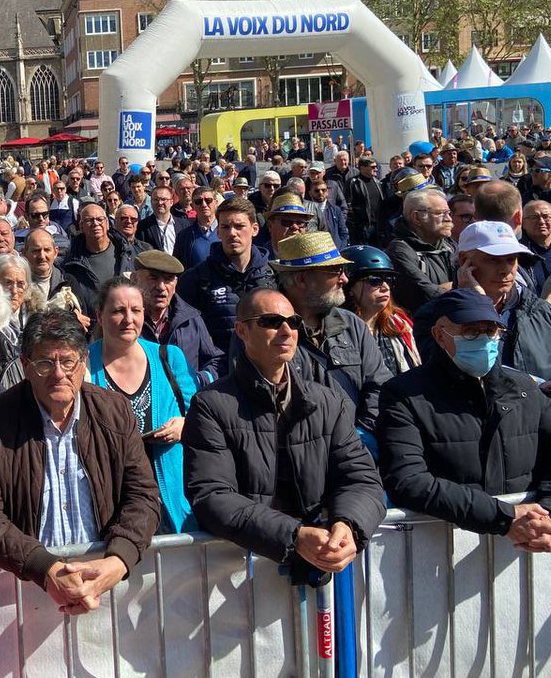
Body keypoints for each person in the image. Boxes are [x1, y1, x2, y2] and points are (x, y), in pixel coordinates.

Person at [0, 308, 161, 614]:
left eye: (68, 361)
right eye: (45, 363)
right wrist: (46, 569)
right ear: (26, 366)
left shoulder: (115, 412)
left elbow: (144, 497)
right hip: (25, 592)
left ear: (83, 364)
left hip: (106, 589)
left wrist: (117, 560)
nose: (59, 373)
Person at [183, 288, 385, 580]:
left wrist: (349, 525)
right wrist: (294, 536)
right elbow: (212, 496)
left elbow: (362, 478)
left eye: (293, 322)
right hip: (240, 574)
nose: (286, 330)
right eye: (271, 321)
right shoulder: (210, 405)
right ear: (242, 330)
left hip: (322, 564)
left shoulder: (328, 401)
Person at [376, 289, 551, 546]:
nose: (483, 339)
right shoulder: (404, 394)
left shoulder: (523, 389)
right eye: (471, 331)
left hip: (524, 550)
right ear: (439, 334)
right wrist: (505, 519)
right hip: (441, 552)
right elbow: (408, 480)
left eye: (491, 331)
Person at [412, 221, 551, 407]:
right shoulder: (434, 316)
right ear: (464, 261)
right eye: (493, 259)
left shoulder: (542, 312)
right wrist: (477, 305)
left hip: (536, 424)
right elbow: (440, 376)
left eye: (511, 259)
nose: (506, 270)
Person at [86, 277, 198, 532]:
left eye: (135, 310)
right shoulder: (83, 364)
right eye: (118, 311)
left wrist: (185, 425)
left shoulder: (170, 357)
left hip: (172, 500)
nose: (129, 319)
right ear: (100, 316)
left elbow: (202, 416)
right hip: (113, 503)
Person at [272, 231, 392, 434]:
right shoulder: (266, 329)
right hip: (299, 454)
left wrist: (361, 436)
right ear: (302, 279)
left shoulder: (352, 324)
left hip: (357, 450)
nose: (344, 279)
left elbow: (380, 386)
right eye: (335, 271)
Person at [178, 196, 275, 361]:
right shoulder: (196, 279)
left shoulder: (274, 275)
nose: (232, 233)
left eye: (239, 226)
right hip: (221, 374)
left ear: (255, 229)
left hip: (268, 366)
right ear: (218, 231)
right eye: (225, 227)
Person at [133, 250, 225, 386]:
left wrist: (197, 380)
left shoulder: (191, 319)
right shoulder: (127, 322)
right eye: (153, 277)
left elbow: (216, 360)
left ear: (176, 284)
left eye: (168, 279)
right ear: (135, 280)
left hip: (185, 404)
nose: (161, 287)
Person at [341, 245, 419, 377]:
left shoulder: (399, 323)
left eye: (389, 280)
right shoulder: (339, 332)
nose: (385, 287)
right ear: (350, 288)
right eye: (374, 281)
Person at [386, 188, 456, 313]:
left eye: (449, 213)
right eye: (440, 213)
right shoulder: (400, 250)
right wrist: (458, 288)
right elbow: (426, 294)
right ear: (417, 217)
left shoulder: (449, 246)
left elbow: (474, 284)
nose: (449, 219)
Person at [61, 204, 139, 316]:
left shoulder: (128, 254)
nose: (95, 224)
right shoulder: (70, 263)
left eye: (99, 219)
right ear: (81, 226)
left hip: (125, 321)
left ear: (107, 224)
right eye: (89, 220)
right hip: (89, 328)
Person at [172, 187, 219, 269]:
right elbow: (178, 267)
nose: (204, 205)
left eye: (208, 200)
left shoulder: (228, 231)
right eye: (198, 202)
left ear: (216, 203)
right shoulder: (184, 236)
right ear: (192, 205)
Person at [136, 185, 188, 255]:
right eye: (156, 200)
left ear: (171, 202)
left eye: (163, 199)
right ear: (151, 202)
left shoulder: (184, 224)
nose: (160, 203)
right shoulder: (142, 226)